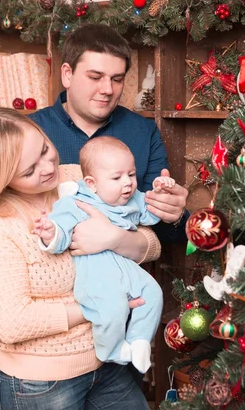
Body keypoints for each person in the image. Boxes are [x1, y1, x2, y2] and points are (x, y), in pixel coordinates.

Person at [0, 23, 190, 410]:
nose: (47, 166)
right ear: (67, 73)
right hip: (46, 374)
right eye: (95, 76)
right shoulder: (25, 146)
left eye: (117, 79)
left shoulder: (84, 169)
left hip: (106, 354)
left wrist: (148, 224)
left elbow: (152, 228)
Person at [0, 108, 157, 410]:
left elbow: (150, 243)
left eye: (46, 150)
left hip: (106, 361)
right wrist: (100, 306)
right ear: (0, 179)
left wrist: (115, 238)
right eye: (29, 170)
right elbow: (13, 323)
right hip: (41, 385)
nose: (48, 168)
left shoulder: (76, 179)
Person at [33, 137, 176, 374]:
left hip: (127, 267)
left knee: (153, 292)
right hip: (96, 274)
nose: (128, 183)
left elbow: (150, 216)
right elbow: (62, 236)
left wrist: (160, 190)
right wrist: (50, 233)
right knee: (112, 308)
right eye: (117, 177)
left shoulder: (133, 197)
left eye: (131, 174)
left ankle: (139, 340)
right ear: (92, 183)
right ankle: (111, 350)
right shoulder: (76, 202)